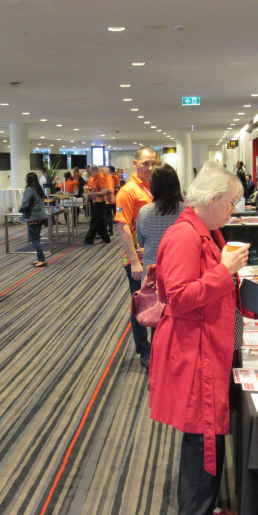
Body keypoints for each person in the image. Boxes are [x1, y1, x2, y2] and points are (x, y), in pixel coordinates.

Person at [149, 164, 258, 515]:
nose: (234, 210)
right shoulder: (184, 236)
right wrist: (224, 271)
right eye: (232, 203)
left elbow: (219, 290)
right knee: (202, 436)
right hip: (195, 351)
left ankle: (203, 509)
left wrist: (254, 301)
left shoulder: (206, 231)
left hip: (211, 347)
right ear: (213, 199)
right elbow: (180, 298)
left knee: (211, 433)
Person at [115, 147, 158, 369]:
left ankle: (159, 348)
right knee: (140, 305)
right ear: (135, 163)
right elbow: (123, 228)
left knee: (159, 303)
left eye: (153, 163)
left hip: (157, 256)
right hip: (138, 260)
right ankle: (144, 350)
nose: (150, 168)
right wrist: (133, 261)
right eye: (145, 163)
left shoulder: (156, 186)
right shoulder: (128, 191)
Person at [135, 162, 185, 270]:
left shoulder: (144, 212)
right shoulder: (186, 210)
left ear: (153, 186)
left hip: (152, 269)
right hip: (179, 267)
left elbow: (140, 241)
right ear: (176, 184)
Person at [19, 172, 48, 268]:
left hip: (33, 217)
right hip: (41, 216)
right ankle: (40, 258)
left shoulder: (29, 189)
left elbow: (25, 204)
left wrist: (20, 209)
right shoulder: (39, 189)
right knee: (37, 238)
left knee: (34, 239)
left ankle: (42, 259)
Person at [83, 165, 111, 244]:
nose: (91, 174)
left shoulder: (101, 178)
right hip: (94, 201)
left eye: (91, 172)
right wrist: (87, 199)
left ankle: (89, 239)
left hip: (100, 202)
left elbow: (104, 191)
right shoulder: (91, 179)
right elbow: (90, 190)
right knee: (100, 221)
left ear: (96, 171)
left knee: (95, 221)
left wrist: (93, 193)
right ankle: (106, 239)